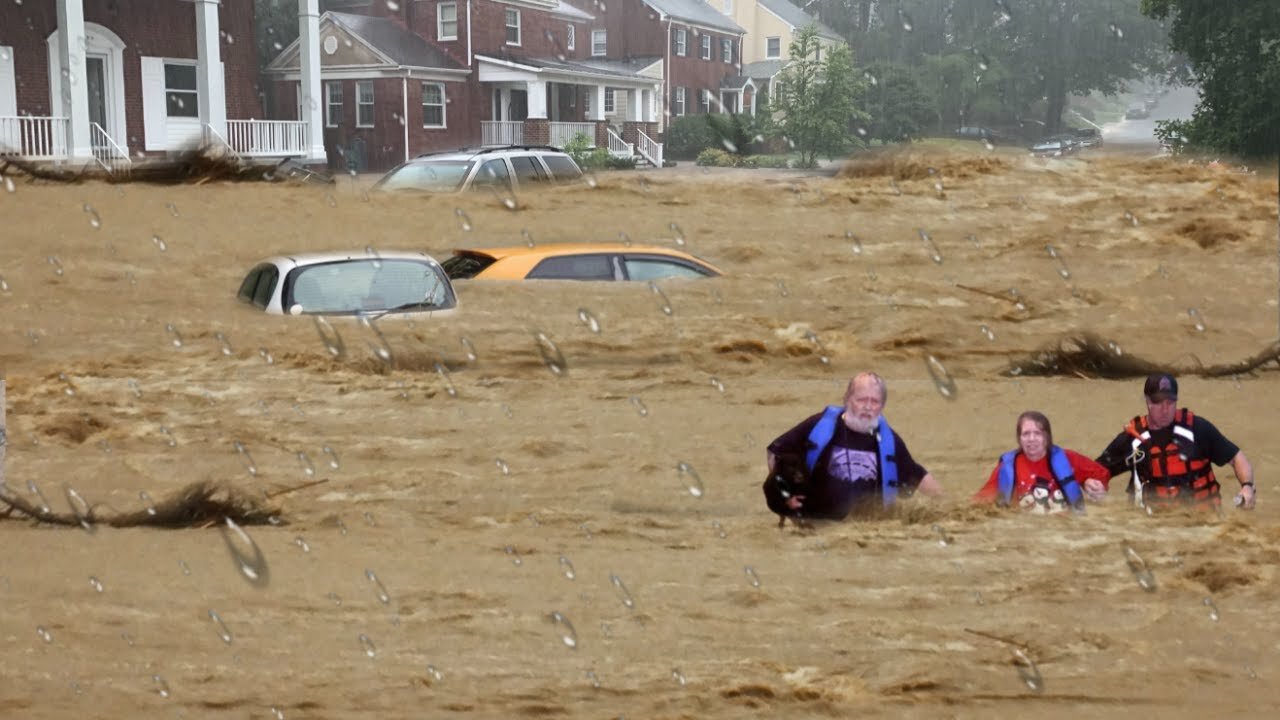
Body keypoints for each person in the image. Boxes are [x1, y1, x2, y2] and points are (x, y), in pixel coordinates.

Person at [763, 372, 942, 522]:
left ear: (883, 406)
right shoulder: (819, 426)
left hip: (863, 530)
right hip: (815, 524)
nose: (868, 407)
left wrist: (950, 508)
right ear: (847, 400)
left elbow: (918, 477)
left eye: (875, 401)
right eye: (861, 400)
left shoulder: (889, 442)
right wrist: (785, 499)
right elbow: (775, 452)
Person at [1096, 373, 1255, 511]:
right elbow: (1096, 472)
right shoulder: (1131, 440)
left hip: (1203, 523)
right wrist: (1093, 485)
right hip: (1153, 528)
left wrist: (1247, 487)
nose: (1165, 409)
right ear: (1147, 402)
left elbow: (1237, 458)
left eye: (1170, 402)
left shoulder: (1198, 429)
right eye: (1158, 402)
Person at [973, 411, 1110, 513]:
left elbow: (1102, 474)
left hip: (1066, 531)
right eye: (1026, 434)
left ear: (1047, 437)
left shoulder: (1068, 459)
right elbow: (980, 503)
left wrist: (1088, 482)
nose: (1031, 439)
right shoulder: (1007, 467)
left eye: (1038, 433)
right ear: (1019, 439)